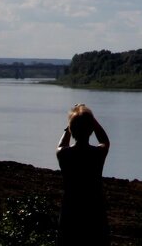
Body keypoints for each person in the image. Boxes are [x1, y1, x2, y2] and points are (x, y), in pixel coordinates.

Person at [56, 104, 111, 245]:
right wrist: (93, 121)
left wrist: (68, 128)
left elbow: (61, 145)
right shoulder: (97, 154)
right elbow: (104, 141)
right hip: (94, 211)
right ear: (90, 130)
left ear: (71, 129)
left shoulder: (64, 154)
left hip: (70, 211)